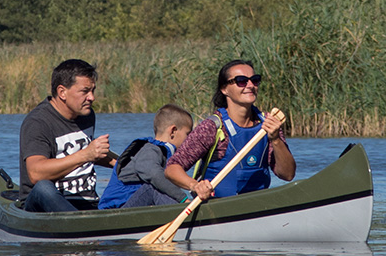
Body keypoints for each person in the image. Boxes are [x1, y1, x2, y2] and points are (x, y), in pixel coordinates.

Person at [164, 60, 295, 201]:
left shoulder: (269, 124)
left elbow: (287, 175)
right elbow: (172, 168)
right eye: (241, 81)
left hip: (258, 204)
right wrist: (195, 185)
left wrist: (275, 139)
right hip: (217, 207)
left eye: (255, 80)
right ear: (224, 89)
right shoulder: (212, 127)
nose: (250, 85)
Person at [19, 58, 117, 212]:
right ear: (62, 92)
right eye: (85, 91)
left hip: (87, 203)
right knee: (43, 187)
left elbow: (90, 152)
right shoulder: (38, 122)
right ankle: (79, 225)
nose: (92, 97)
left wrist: (122, 164)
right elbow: (36, 173)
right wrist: (86, 155)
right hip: (44, 205)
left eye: (93, 90)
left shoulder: (87, 115)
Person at [98, 104, 194, 209]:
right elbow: (153, 174)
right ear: (173, 131)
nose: (189, 140)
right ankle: (187, 212)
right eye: (187, 134)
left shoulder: (162, 152)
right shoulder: (150, 150)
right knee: (152, 188)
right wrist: (183, 199)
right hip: (115, 210)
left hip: (132, 205)